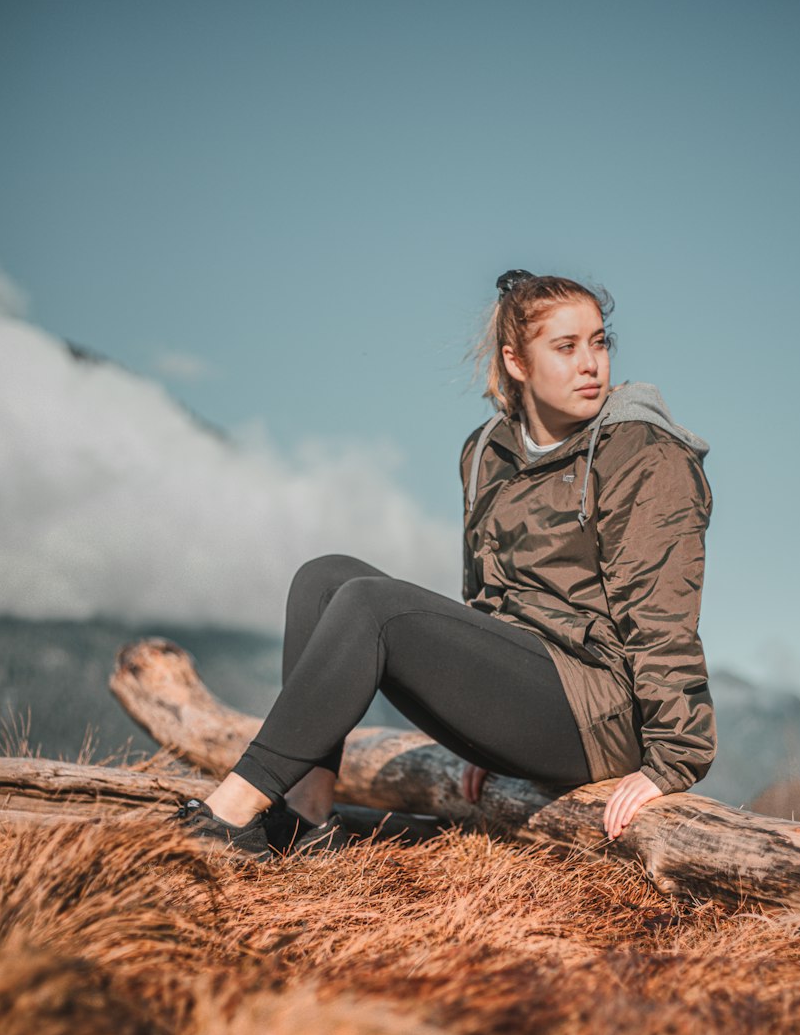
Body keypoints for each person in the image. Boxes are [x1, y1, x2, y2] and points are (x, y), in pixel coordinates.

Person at [173, 269, 716, 855]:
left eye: (599, 341)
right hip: (534, 693)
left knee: (372, 606)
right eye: (566, 347)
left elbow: (662, 618)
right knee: (325, 578)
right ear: (516, 361)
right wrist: (486, 732)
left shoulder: (643, 453)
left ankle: (229, 816)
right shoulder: (488, 452)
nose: (591, 363)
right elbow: (486, 601)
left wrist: (671, 762)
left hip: (601, 711)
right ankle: (307, 824)